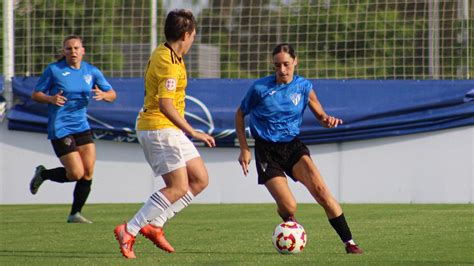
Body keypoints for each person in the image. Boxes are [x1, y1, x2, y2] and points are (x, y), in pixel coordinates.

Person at [234, 43, 363, 254]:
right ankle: (289, 220)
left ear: (295, 61)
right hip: (267, 151)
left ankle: (349, 242)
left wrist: (326, 119)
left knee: (322, 192)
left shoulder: (304, 86)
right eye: (277, 66)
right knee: (289, 206)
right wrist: (244, 149)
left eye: (286, 64)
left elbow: (320, 114)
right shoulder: (259, 89)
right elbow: (239, 114)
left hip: (292, 147)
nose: (282, 70)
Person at [113, 9, 215, 259]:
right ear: (185, 34)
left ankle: (155, 224)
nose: (193, 39)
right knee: (178, 186)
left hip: (170, 129)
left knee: (200, 179)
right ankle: (130, 229)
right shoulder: (168, 63)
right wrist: (194, 132)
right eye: (193, 34)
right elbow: (165, 105)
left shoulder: (170, 54)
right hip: (158, 128)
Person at [29, 35, 117, 223]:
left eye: (76, 48)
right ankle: (43, 174)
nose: (73, 52)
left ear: (83, 50)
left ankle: (75, 214)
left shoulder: (91, 71)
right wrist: (51, 99)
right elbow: (36, 94)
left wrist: (104, 94)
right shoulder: (54, 70)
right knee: (75, 173)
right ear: (64, 52)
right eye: (68, 49)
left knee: (88, 171)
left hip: (81, 126)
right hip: (61, 127)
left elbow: (112, 94)